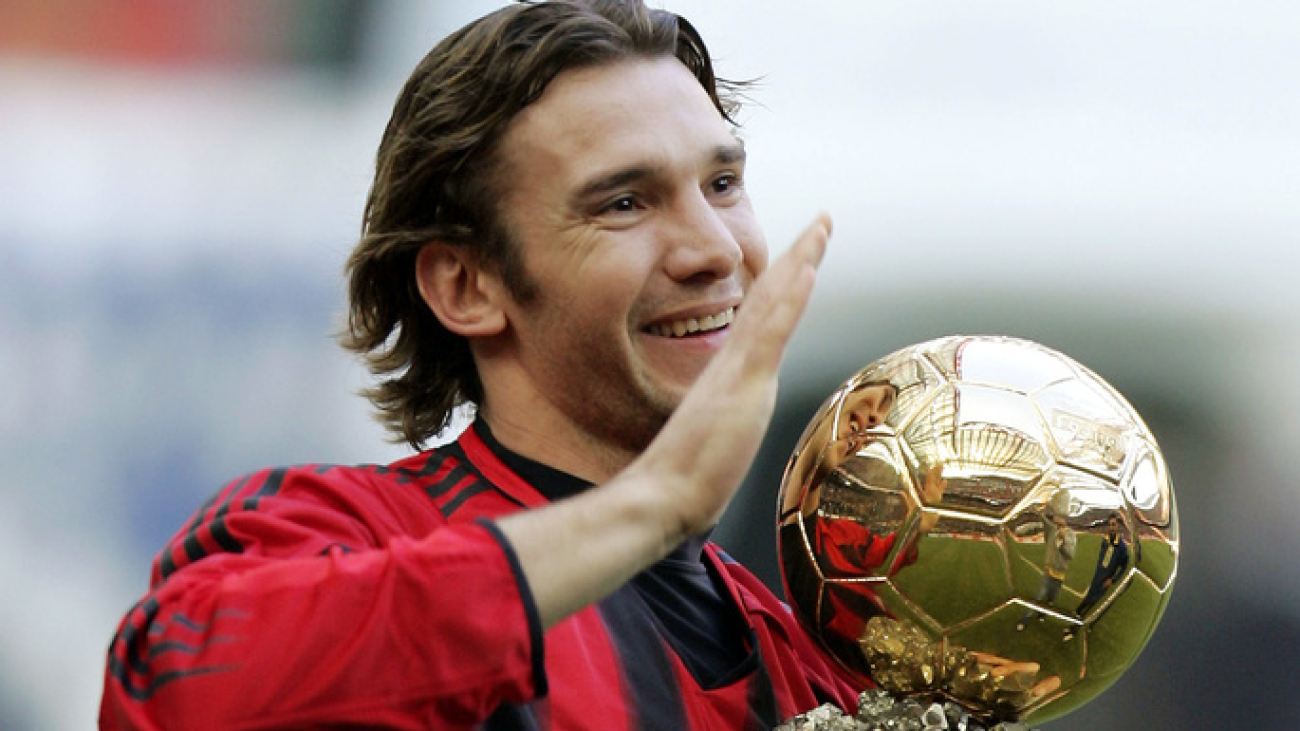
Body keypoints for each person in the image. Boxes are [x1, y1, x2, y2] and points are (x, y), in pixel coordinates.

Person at [99, 2, 862, 729]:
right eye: (624, 203)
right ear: (467, 286)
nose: (716, 249)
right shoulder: (348, 528)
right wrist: (655, 504)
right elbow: (180, 693)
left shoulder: (806, 654)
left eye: (722, 184)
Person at [1016, 505, 1077, 632]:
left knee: (1050, 600)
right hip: (1048, 572)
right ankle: (1025, 620)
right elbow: (1043, 520)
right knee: (1038, 598)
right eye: (1055, 515)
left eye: (1058, 515)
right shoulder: (1051, 529)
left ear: (1064, 519)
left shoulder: (1070, 534)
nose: (1055, 517)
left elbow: (1070, 555)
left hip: (1060, 575)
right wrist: (1039, 510)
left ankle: (1042, 614)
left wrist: (1062, 542)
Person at [1074, 514, 1130, 618]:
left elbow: (1124, 567)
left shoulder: (1122, 547)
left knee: (1095, 600)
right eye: (1110, 525)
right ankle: (1077, 613)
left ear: (1118, 526)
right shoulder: (1106, 540)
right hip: (1098, 574)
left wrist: (1112, 579)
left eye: (1113, 525)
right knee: (1089, 595)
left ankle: (1083, 619)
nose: (1111, 527)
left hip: (1105, 579)